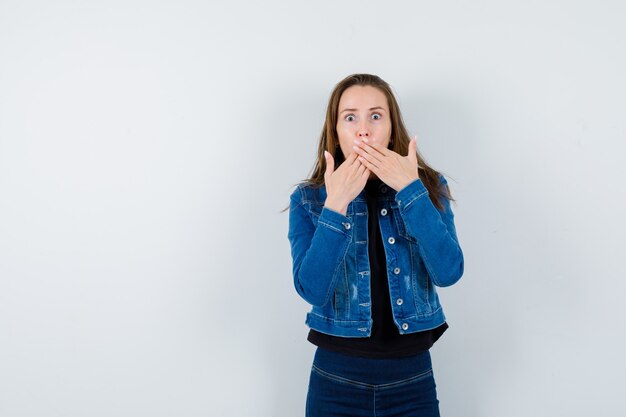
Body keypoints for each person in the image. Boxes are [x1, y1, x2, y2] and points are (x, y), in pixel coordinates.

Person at [286, 73, 464, 416]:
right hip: (335, 380)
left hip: (412, 379)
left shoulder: (427, 186)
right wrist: (335, 206)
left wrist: (411, 191)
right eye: (350, 117)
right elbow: (311, 289)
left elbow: (449, 271)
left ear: (392, 127)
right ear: (336, 131)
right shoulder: (309, 199)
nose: (363, 129)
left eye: (376, 116)